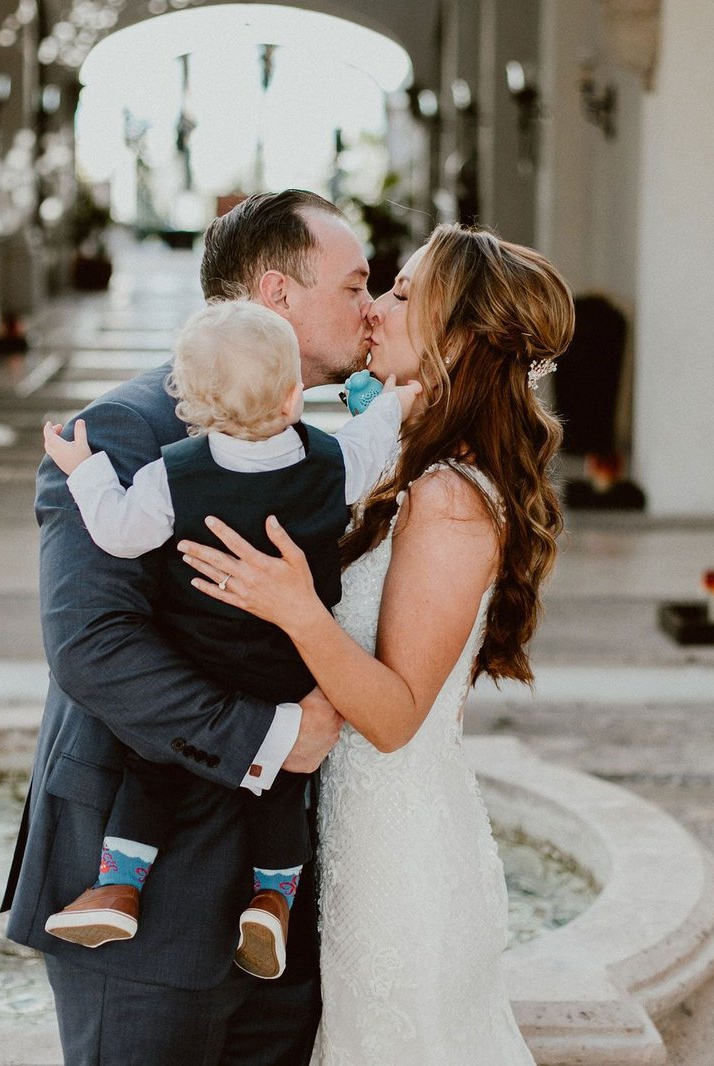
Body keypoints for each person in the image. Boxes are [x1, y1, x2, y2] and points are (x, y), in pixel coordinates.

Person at [178, 223, 574, 1064]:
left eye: (401, 293)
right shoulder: (414, 466)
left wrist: (296, 608)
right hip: (359, 832)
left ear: (457, 336)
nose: (378, 310)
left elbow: (395, 716)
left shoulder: (452, 499)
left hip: (399, 855)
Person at [0, 189, 372, 1066]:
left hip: (280, 897)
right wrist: (280, 735)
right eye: (356, 286)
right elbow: (95, 650)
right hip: (147, 899)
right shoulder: (128, 433)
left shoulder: (303, 441)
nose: (370, 305)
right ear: (277, 297)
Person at [37, 298, 414, 981]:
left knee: (149, 771)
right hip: (286, 667)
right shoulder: (328, 463)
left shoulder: (172, 473)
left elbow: (118, 530)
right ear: (296, 393)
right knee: (279, 791)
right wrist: (393, 404)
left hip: (199, 656)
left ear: (192, 405)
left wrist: (82, 468)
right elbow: (374, 449)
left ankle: (118, 887)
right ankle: (272, 900)